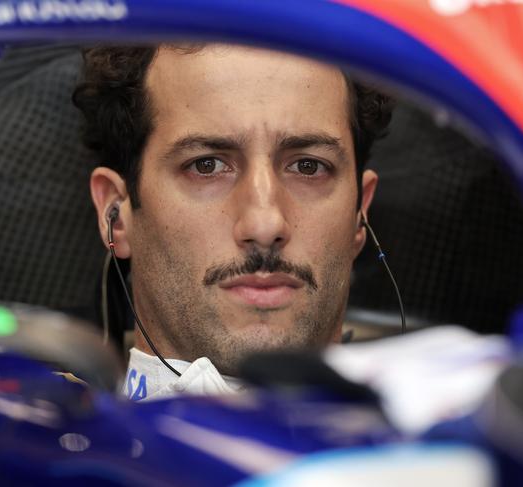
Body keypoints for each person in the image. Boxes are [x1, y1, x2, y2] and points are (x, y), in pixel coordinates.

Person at [72, 43, 393, 400]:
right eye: (206, 165)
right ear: (115, 214)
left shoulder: (446, 446)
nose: (265, 225)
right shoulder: (36, 445)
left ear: (360, 212)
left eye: (308, 166)